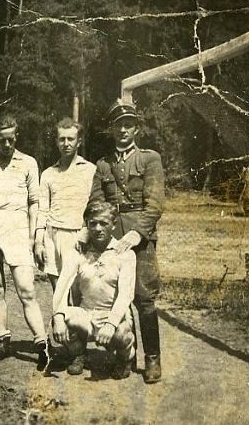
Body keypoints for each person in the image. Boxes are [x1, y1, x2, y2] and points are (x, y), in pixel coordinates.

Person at [88, 100, 165, 384]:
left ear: (137, 128)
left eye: (128, 124)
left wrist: (137, 233)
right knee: (114, 298)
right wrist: (94, 234)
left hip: (140, 239)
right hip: (110, 238)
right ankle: (126, 356)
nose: (123, 130)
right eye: (118, 125)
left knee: (144, 300)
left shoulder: (149, 159)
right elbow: (96, 202)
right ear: (111, 128)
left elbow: (155, 203)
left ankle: (152, 358)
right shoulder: (103, 164)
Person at [0, 114, 48, 366]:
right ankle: (3, 340)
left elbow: (35, 202)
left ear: (17, 137)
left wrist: (35, 236)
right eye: (2, 140)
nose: (6, 145)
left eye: (11, 140)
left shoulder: (28, 163)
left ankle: (42, 344)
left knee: (26, 289)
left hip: (16, 225)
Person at [51, 201, 136, 380]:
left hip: (113, 316)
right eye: (92, 223)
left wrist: (111, 324)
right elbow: (63, 284)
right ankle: (78, 354)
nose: (98, 228)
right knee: (62, 319)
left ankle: (124, 359)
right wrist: (57, 316)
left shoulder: (126, 254)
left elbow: (125, 294)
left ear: (113, 225)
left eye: (104, 223)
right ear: (87, 225)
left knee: (122, 334)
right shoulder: (78, 251)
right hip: (87, 314)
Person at [35, 118, 96, 290]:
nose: (66, 144)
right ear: (56, 141)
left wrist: (85, 234)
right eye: (62, 139)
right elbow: (42, 210)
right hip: (52, 236)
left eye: (71, 139)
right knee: (58, 293)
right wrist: (39, 241)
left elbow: (94, 207)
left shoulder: (90, 170)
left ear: (79, 141)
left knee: (78, 291)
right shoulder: (48, 174)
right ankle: (57, 317)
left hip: (78, 236)